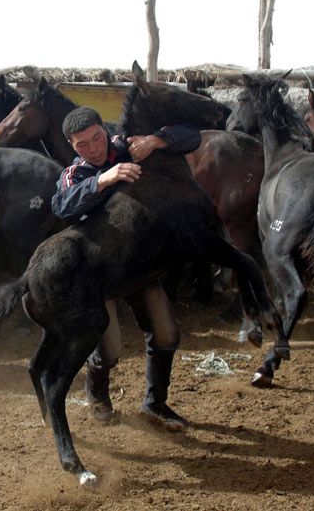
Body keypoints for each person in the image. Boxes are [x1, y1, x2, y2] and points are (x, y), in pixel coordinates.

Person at [51, 106, 202, 431]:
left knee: (166, 334)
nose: (93, 147)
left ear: (104, 130)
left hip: (139, 268)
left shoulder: (126, 146)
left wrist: (156, 141)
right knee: (109, 350)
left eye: (96, 137)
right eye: (82, 145)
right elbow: (62, 206)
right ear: (71, 146)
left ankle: (155, 404)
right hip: (99, 277)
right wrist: (103, 180)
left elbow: (193, 136)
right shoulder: (74, 174)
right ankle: (98, 397)